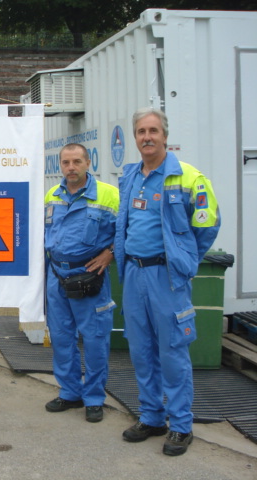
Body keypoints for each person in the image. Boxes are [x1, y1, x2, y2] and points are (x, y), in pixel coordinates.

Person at [115, 108, 220, 456]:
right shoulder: (130, 176)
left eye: (153, 131)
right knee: (141, 351)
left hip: (167, 277)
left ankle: (181, 425)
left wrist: (185, 259)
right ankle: (151, 417)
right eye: (141, 131)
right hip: (134, 274)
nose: (147, 137)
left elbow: (207, 224)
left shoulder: (188, 177)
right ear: (135, 137)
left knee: (172, 351)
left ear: (164, 136)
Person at [43, 143, 118, 423]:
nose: (71, 167)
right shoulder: (52, 194)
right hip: (56, 276)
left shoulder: (109, 195)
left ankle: (94, 397)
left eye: (76, 161)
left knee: (96, 340)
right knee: (62, 338)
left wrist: (110, 253)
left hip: (89, 278)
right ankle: (70, 392)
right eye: (66, 162)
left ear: (88, 163)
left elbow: (127, 230)